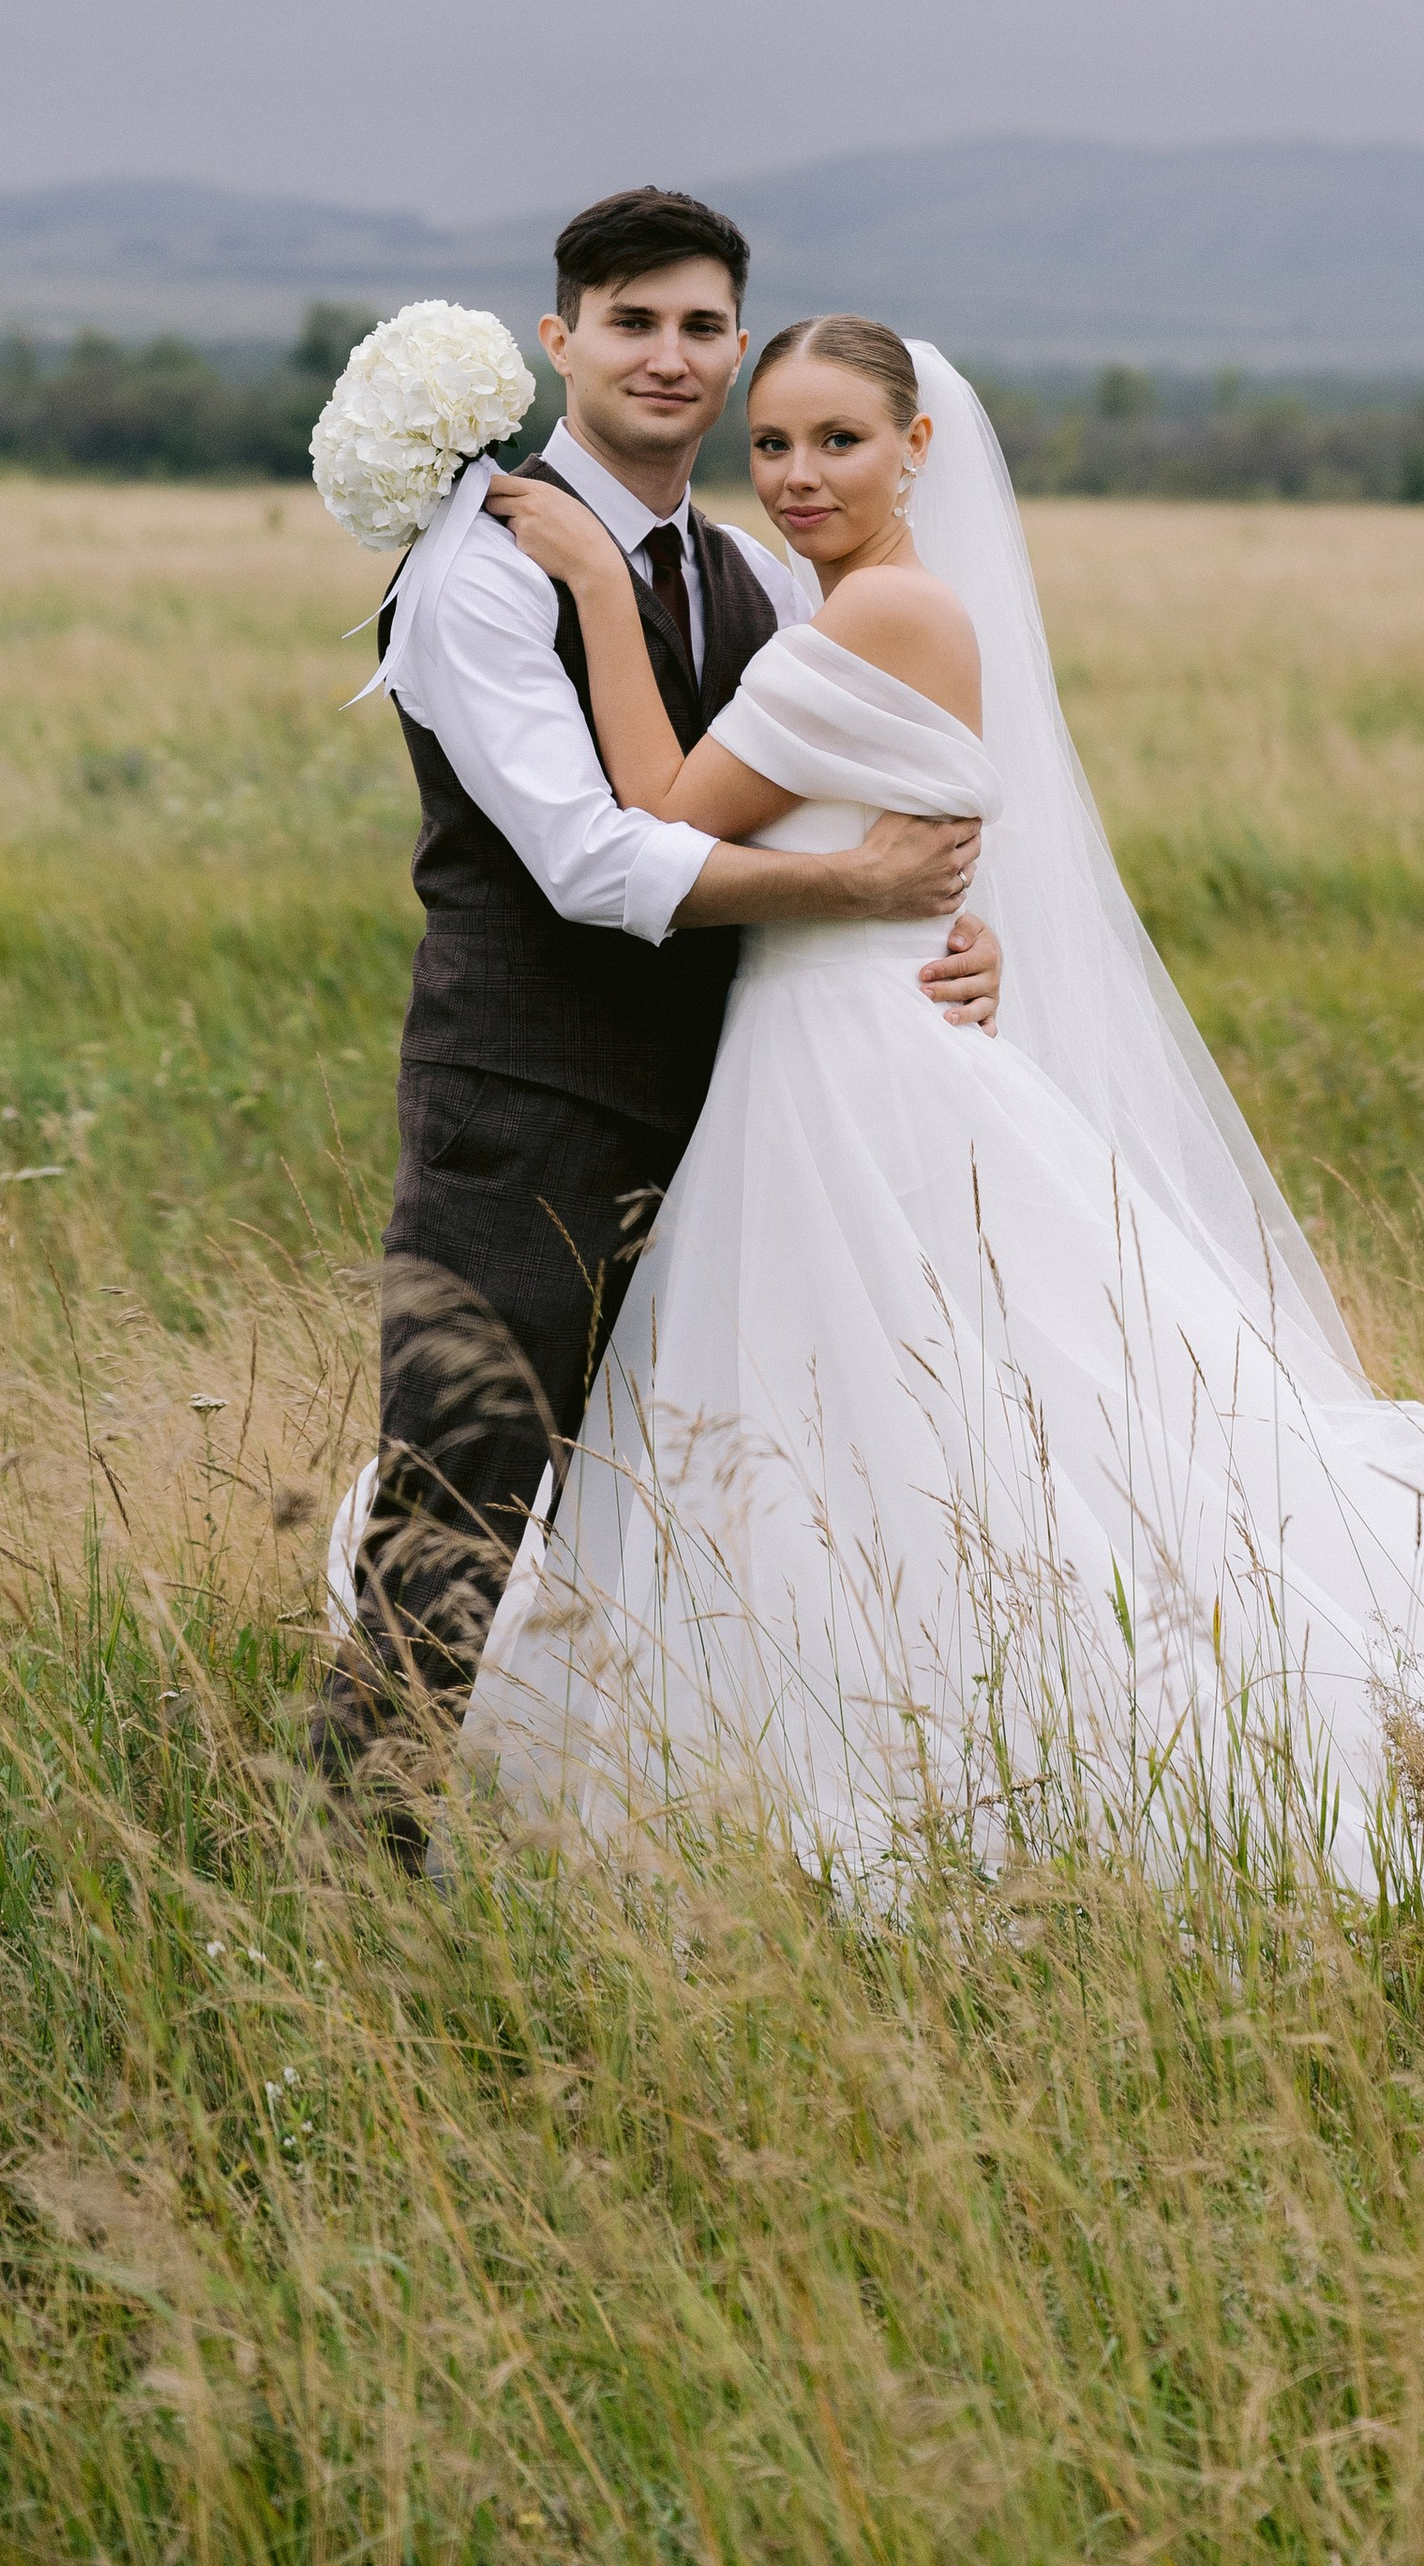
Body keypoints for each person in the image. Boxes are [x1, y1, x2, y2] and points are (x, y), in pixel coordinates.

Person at [336, 314, 1424, 1897]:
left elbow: (653, 812)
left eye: (839, 440)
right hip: (823, 1031)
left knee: (907, 1394)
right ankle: (870, 1716)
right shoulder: (833, 601)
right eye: (772, 443)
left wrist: (592, 581)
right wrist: (933, 911)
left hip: (849, 1056)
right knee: (865, 1402)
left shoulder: (880, 612)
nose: (795, 475)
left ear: (917, 447)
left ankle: (988, 1750)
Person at [314, 196, 1002, 1814]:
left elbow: (862, 797)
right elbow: (586, 859)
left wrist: (956, 932)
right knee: (462, 1494)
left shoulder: (757, 570)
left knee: (706, 1492)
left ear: (737, 348)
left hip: (738, 1115)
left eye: (702, 328)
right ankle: (353, 1866)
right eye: (632, 322)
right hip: (529, 1105)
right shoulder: (485, 566)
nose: (669, 358)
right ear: (562, 341)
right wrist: (860, 892)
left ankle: (668, 1826)